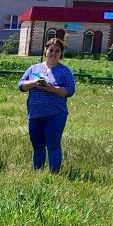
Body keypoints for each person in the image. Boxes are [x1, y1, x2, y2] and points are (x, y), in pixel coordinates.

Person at [17, 38, 76, 173]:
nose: (53, 53)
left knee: (53, 145)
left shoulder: (65, 71)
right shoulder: (34, 68)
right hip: (35, 114)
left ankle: (54, 173)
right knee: (37, 145)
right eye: (51, 50)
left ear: (61, 54)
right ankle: (38, 171)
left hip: (55, 115)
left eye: (57, 51)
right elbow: (21, 85)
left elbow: (70, 91)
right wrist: (34, 83)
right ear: (45, 51)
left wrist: (52, 89)